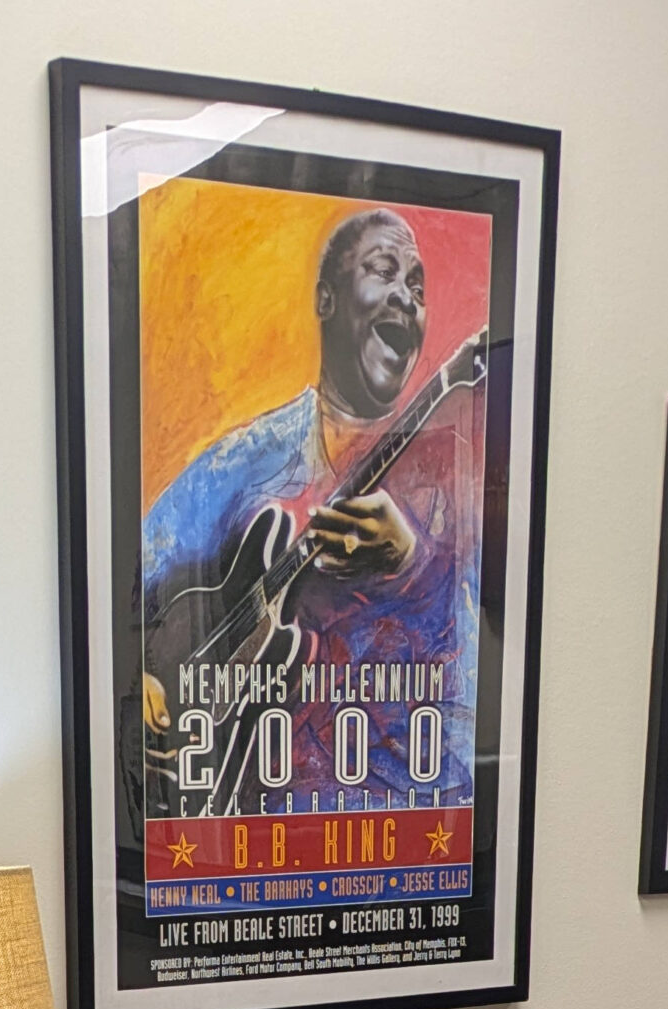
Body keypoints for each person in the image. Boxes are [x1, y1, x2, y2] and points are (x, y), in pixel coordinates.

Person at [138, 206, 482, 814]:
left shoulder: (458, 480)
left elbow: (487, 671)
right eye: (384, 272)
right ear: (326, 300)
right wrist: (135, 681)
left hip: (402, 834)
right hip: (251, 835)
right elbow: (132, 584)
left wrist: (414, 566)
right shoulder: (248, 462)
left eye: (419, 289)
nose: (406, 296)